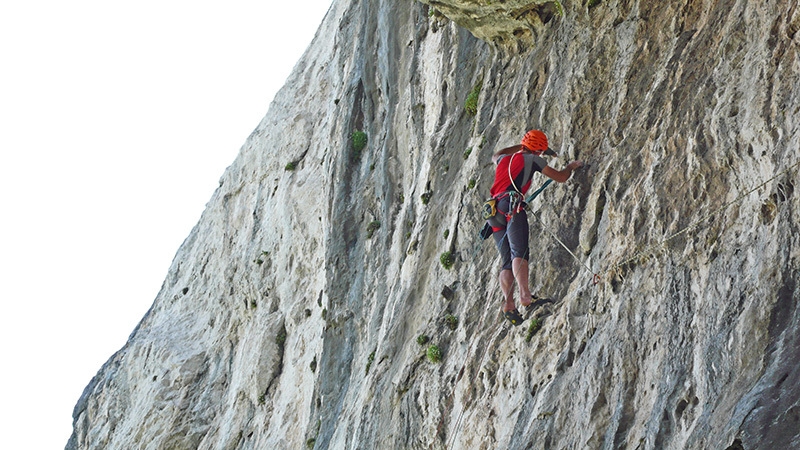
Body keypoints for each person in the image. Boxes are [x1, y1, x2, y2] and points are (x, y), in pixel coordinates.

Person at [486, 129, 583, 325]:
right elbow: (561, 177)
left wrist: (522, 146)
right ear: (539, 150)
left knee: (506, 260)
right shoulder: (534, 160)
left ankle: (509, 304)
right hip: (512, 207)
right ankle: (525, 296)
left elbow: (496, 154)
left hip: (493, 211)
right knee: (519, 252)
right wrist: (571, 166)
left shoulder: (503, 159)